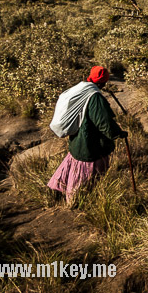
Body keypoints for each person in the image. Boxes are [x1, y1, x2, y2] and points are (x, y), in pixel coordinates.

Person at [47, 66, 128, 205]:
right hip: (89, 146)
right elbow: (104, 123)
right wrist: (118, 133)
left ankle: (64, 195)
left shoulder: (82, 89)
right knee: (85, 181)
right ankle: (76, 202)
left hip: (77, 142)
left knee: (75, 168)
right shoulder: (95, 97)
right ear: (103, 82)